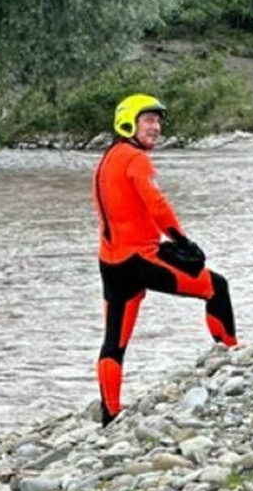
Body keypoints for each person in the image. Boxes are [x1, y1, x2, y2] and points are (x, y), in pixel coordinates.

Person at [92, 93, 236, 426]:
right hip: (141, 258)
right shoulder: (136, 159)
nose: (156, 127)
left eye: (158, 121)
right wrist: (182, 240)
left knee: (114, 340)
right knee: (216, 286)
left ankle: (110, 413)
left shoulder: (107, 159)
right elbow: (157, 205)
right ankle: (232, 358)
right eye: (149, 120)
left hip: (111, 263)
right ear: (128, 121)